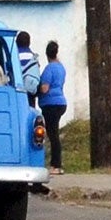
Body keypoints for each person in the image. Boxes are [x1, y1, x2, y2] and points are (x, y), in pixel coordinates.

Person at [37, 42, 68, 173]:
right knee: (54, 133)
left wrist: (36, 89)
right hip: (61, 102)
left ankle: (56, 164)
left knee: (53, 134)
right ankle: (57, 164)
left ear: (47, 54)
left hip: (51, 104)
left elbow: (44, 88)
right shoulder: (61, 68)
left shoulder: (49, 69)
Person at [15, 32, 42, 104]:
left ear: (16, 42)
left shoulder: (13, 57)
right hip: (30, 93)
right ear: (29, 43)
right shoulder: (34, 58)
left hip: (16, 93)